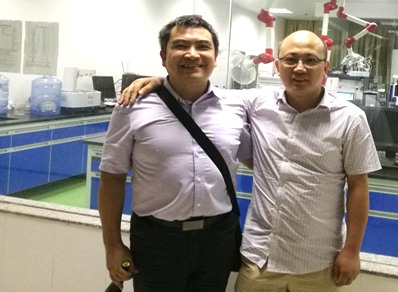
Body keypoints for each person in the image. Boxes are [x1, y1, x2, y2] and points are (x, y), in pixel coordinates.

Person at [120, 30, 382, 291]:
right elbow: (198, 88)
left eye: (311, 60)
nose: (300, 68)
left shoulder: (350, 118)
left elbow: (358, 186)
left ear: (325, 67)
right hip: (260, 260)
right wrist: (159, 80)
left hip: (318, 262)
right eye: (290, 60)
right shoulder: (256, 103)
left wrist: (351, 251)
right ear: (278, 66)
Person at [99, 15, 251, 292]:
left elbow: (254, 157)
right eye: (180, 45)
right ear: (163, 56)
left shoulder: (236, 106)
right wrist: (113, 245)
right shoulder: (132, 106)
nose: (192, 54)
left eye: (203, 46)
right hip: (156, 240)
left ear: (215, 57)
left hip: (217, 237)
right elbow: (112, 178)